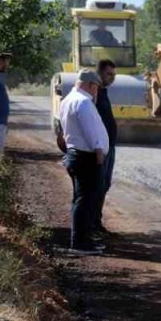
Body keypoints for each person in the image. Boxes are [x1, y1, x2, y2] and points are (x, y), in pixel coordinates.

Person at [60, 69, 110, 254]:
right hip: (86, 157)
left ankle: (83, 239)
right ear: (91, 85)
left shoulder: (68, 100)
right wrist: (99, 151)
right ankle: (79, 243)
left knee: (82, 199)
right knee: (85, 200)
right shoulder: (83, 102)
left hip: (76, 154)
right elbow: (91, 130)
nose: (96, 91)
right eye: (96, 87)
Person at [92, 59, 119, 239]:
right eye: (109, 74)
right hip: (101, 148)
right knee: (97, 187)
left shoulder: (104, 92)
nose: (112, 78)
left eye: (114, 74)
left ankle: (96, 222)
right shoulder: (94, 94)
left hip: (109, 147)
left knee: (104, 185)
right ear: (99, 73)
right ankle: (91, 225)